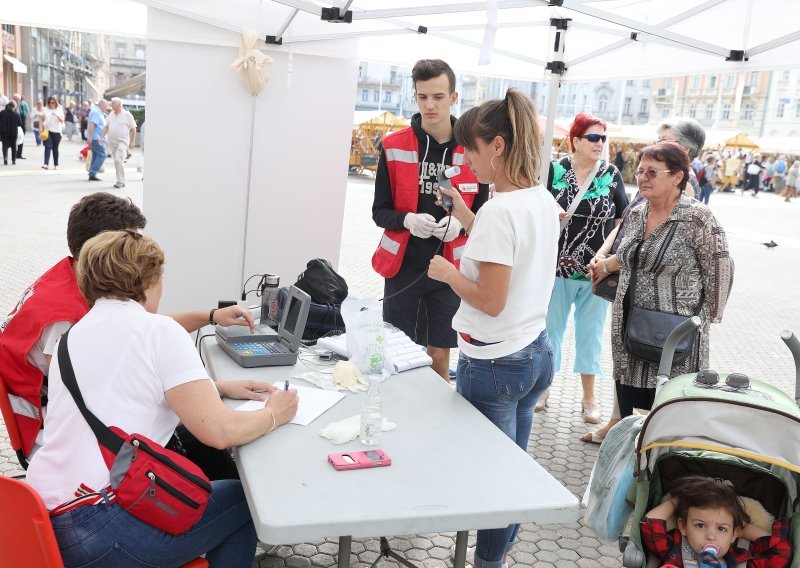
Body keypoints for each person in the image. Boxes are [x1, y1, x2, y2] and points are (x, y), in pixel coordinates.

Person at [25, 229, 299, 566]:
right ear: (148, 281)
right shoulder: (160, 331)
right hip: (102, 530)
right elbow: (219, 432)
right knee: (249, 503)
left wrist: (217, 388)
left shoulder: (71, 337)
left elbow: (124, 389)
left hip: (43, 523)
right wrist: (276, 412)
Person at [0, 192, 259, 467]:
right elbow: (101, 391)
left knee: (205, 446)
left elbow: (135, 333)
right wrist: (209, 392)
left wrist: (210, 316)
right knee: (211, 451)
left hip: (76, 436)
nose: (134, 251)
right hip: (68, 448)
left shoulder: (72, 277)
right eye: (129, 242)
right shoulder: (63, 318)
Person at [428, 88, 558, 568]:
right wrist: (466, 216)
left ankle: (488, 560)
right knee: (513, 468)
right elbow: (514, 254)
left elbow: (490, 299)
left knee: (491, 477)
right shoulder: (537, 197)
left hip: (495, 360)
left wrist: (448, 273)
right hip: (534, 351)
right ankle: (503, 546)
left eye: (471, 149)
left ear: (497, 146)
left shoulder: (500, 211)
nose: (465, 159)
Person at [589, 142, 734, 418]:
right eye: (640, 171)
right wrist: (605, 265)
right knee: (631, 409)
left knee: (667, 413)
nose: (642, 178)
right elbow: (629, 254)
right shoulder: (636, 213)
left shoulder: (698, 218)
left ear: (677, 176)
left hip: (675, 334)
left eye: (652, 172)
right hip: (631, 328)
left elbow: (720, 272)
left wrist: (704, 319)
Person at [371, 59, 489, 381]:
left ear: (453, 98)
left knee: (439, 353)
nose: (429, 105)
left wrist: (460, 224)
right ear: (415, 96)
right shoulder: (393, 147)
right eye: (423, 97)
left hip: (451, 268)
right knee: (396, 349)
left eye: (438, 97)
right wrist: (407, 220)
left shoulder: (472, 149)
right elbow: (378, 211)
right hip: (402, 265)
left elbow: (484, 214)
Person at [538, 112, 628, 424]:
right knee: (550, 331)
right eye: (593, 137)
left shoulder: (611, 173)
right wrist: (552, 212)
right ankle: (544, 388)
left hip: (595, 272)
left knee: (591, 334)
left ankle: (589, 397)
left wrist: (604, 257)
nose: (600, 143)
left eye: (603, 138)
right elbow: (537, 204)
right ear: (575, 140)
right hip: (557, 267)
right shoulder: (554, 169)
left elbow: (621, 222)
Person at [641, 476, 791, 567]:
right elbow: (651, 526)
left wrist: (744, 530)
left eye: (722, 529)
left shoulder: (742, 558)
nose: (711, 536)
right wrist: (675, 502)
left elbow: (780, 552)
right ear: (683, 526)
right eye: (700, 525)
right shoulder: (676, 547)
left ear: (734, 533)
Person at [656, 118, 706, 199]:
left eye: (664, 140)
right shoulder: (672, 174)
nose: (657, 145)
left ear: (685, 148)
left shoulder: (682, 181)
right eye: (658, 140)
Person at [100, 97, 137, 188]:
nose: (111, 105)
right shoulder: (111, 114)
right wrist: (101, 137)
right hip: (112, 142)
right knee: (117, 161)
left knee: (118, 159)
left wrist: (132, 142)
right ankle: (119, 179)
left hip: (123, 141)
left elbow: (133, 129)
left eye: (113, 103)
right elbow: (107, 126)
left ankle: (120, 181)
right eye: (111, 103)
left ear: (119, 105)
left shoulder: (127, 115)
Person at [87, 100, 109, 181]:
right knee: (102, 154)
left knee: (96, 155)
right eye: (106, 106)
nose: (107, 108)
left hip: (96, 138)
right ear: (101, 105)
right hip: (96, 138)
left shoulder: (98, 112)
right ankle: (92, 172)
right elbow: (92, 125)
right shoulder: (96, 112)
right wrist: (90, 137)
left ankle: (92, 173)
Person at [42, 96, 65, 170]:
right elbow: (42, 119)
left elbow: (62, 120)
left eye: (52, 102)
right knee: (47, 147)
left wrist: (56, 115)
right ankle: (46, 164)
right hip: (47, 130)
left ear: (55, 102)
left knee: (55, 148)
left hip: (57, 131)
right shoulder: (45, 110)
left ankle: (56, 164)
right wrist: (40, 129)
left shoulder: (59, 109)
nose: (51, 104)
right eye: (49, 102)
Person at [0, 100, 22, 165]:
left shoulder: (2, 113)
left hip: (4, 132)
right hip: (13, 132)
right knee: (13, 146)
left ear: (8, 106)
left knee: (5, 146)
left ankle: (5, 158)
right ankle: (13, 160)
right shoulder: (16, 114)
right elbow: (20, 124)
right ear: (13, 107)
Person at [12, 93, 28, 160]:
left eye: (18, 99)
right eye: (16, 99)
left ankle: (19, 154)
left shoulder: (21, 106)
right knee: (14, 140)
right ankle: (14, 154)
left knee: (21, 140)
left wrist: (24, 124)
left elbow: (23, 115)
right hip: (13, 126)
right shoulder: (11, 106)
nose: (17, 101)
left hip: (21, 125)